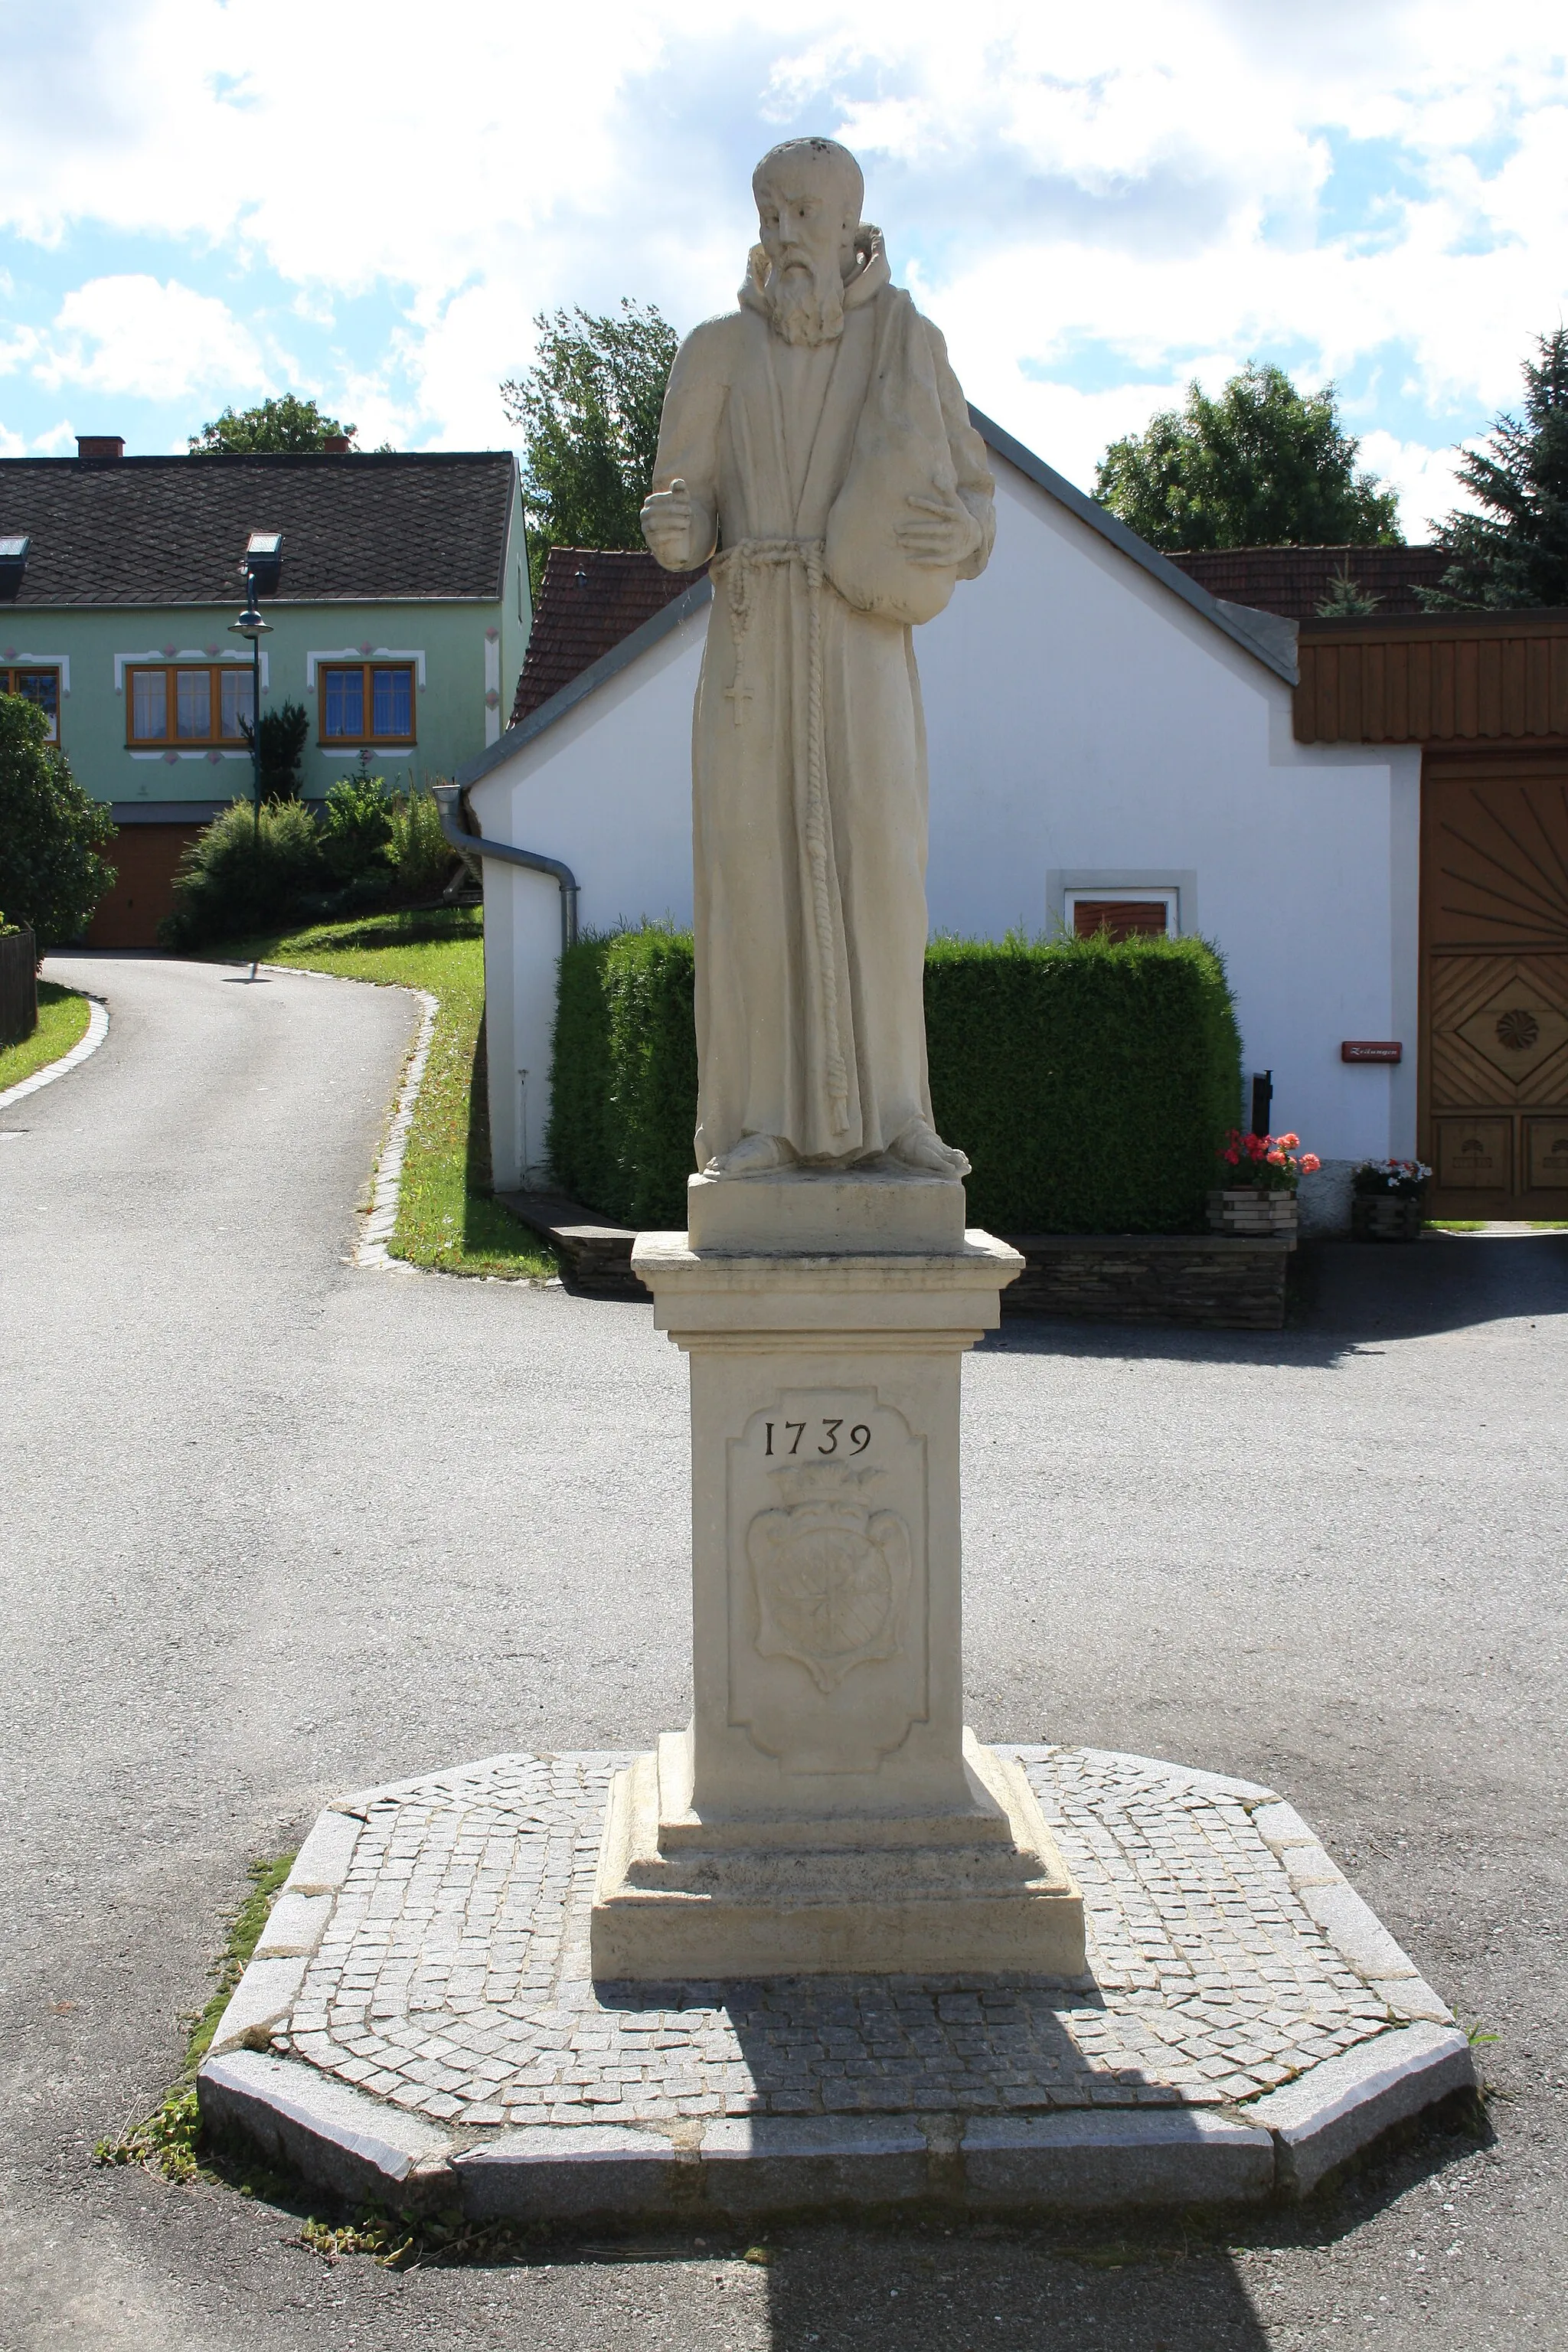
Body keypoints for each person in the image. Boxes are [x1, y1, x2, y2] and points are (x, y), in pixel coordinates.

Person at [642, 136, 993, 1180]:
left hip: (865, 642)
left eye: (805, 214)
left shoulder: (909, 342)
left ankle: (897, 1121)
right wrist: (675, 527)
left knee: (885, 872)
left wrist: (964, 540)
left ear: (849, 226)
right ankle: (760, 1124)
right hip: (752, 637)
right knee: (752, 877)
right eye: (771, 214)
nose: (786, 234)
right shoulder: (713, 350)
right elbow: (683, 502)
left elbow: (972, 497)